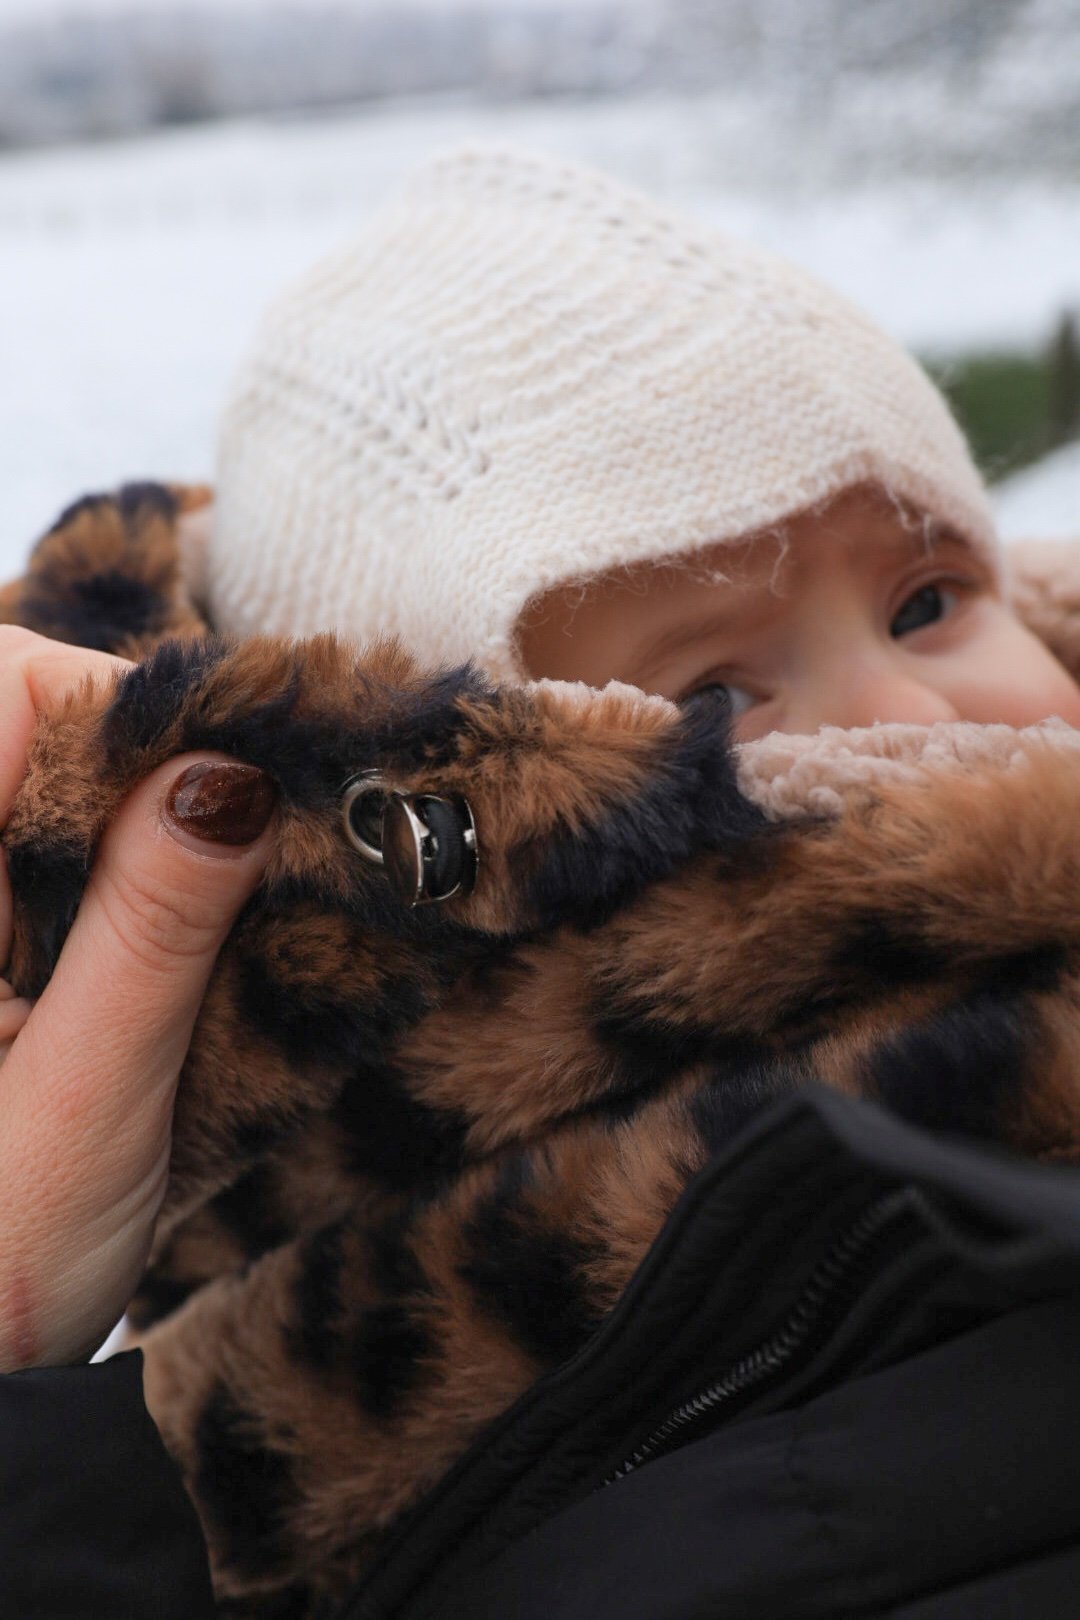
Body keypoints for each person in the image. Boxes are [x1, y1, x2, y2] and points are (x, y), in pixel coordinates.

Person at [5, 145, 1080, 1616]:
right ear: (477, 855)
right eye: (718, 693)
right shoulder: (359, 1432)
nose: (923, 720)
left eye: (930, 599)